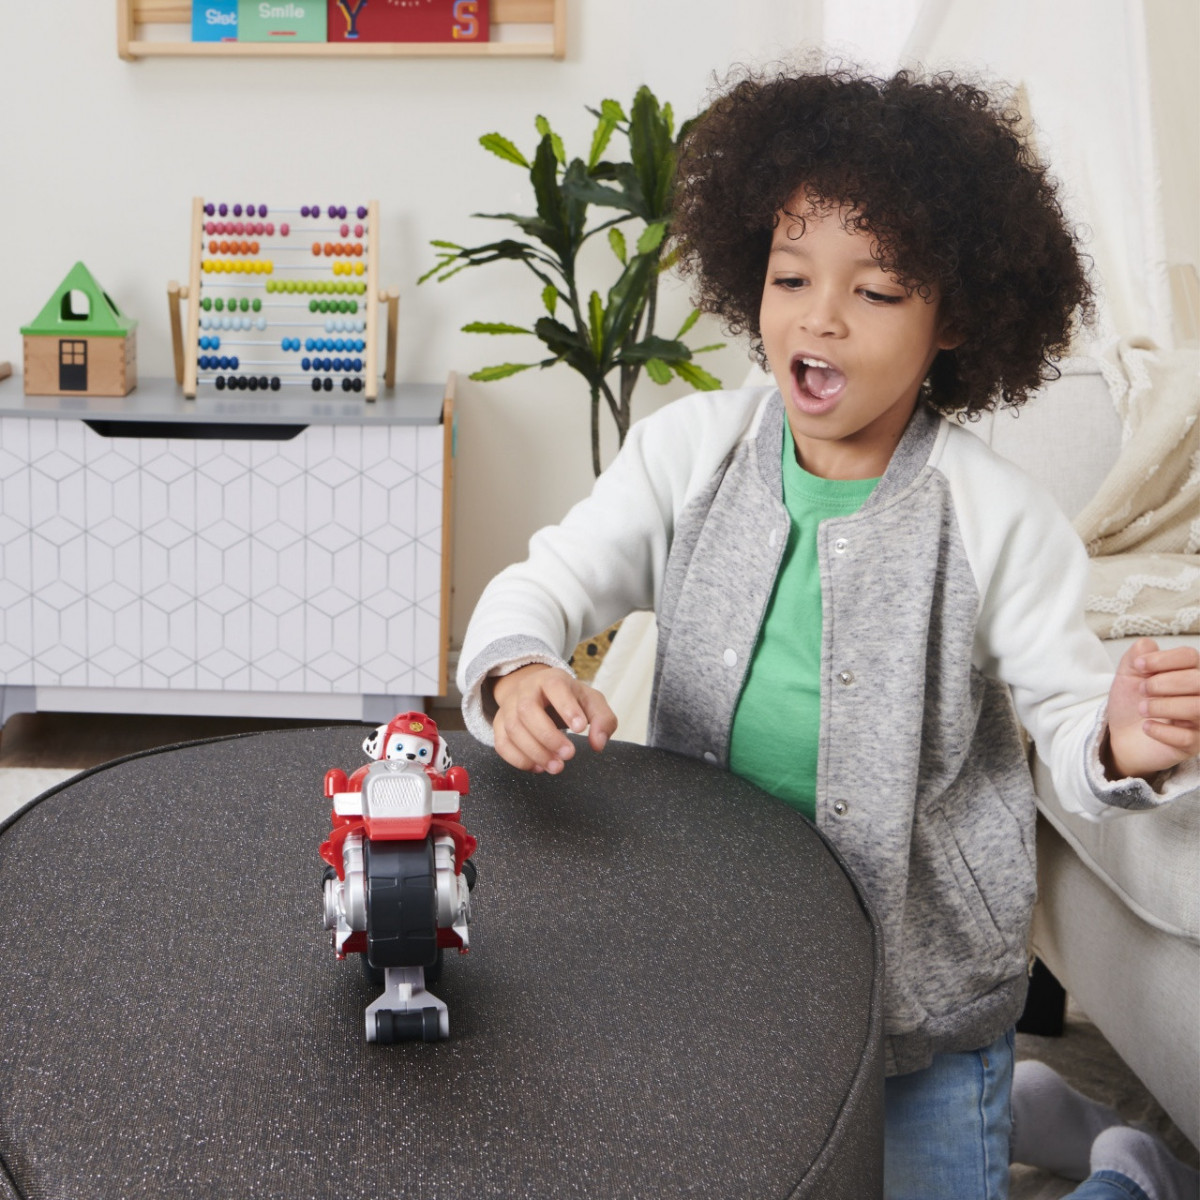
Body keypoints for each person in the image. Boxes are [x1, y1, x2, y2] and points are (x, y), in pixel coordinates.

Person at [456, 66, 1200, 1198]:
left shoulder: (994, 514)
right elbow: (544, 584)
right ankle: (1031, 1113)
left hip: (921, 992)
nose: (821, 316)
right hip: (723, 959)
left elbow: (1068, 714)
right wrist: (518, 668)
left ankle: (1127, 1173)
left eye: (879, 291)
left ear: (955, 318)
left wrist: (1119, 741)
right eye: (791, 275)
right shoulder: (688, 453)